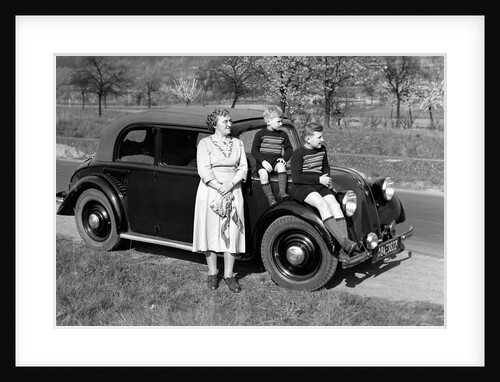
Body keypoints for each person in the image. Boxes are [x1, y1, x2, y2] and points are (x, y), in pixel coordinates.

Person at [192, 108, 248, 293]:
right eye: (225, 121)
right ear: (215, 124)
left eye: (230, 121)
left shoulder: (238, 144)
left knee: (232, 231)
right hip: (211, 192)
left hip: (233, 190)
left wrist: (230, 185)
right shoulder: (205, 144)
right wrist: (219, 187)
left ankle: (229, 275)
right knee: (211, 230)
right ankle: (212, 272)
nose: (230, 124)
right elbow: (204, 170)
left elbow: (243, 168)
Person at [289, 122, 362, 261]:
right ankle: (345, 244)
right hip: (303, 187)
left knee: (335, 204)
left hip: (320, 184)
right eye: (319, 137)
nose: (322, 140)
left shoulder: (322, 149)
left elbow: (326, 167)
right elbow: (297, 178)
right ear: (308, 139)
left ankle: (344, 247)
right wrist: (318, 179)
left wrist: (326, 178)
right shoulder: (298, 154)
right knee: (322, 204)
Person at [251, 106, 293, 207]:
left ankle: (282, 192)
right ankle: (270, 197)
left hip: (275, 161)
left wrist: (283, 159)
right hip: (263, 162)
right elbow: (254, 151)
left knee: (282, 167)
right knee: (263, 175)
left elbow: (289, 148)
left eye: (281, 121)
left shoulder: (283, 134)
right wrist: (263, 162)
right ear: (269, 121)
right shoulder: (260, 134)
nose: (281, 124)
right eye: (278, 121)